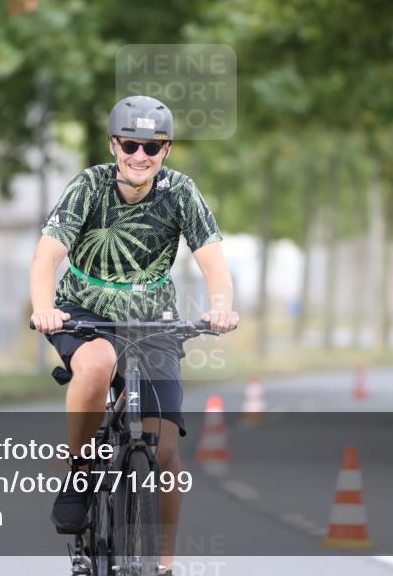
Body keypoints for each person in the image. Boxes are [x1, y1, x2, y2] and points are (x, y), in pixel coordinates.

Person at [29, 95, 239, 574]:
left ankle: (164, 566)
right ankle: (80, 471)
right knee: (98, 364)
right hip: (84, 311)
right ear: (113, 144)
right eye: (130, 144)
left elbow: (214, 264)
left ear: (166, 150)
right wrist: (45, 309)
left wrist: (221, 308)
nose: (139, 156)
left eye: (152, 146)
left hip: (153, 320)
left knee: (165, 451)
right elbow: (45, 258)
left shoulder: (181, 191)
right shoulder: (88, 187)